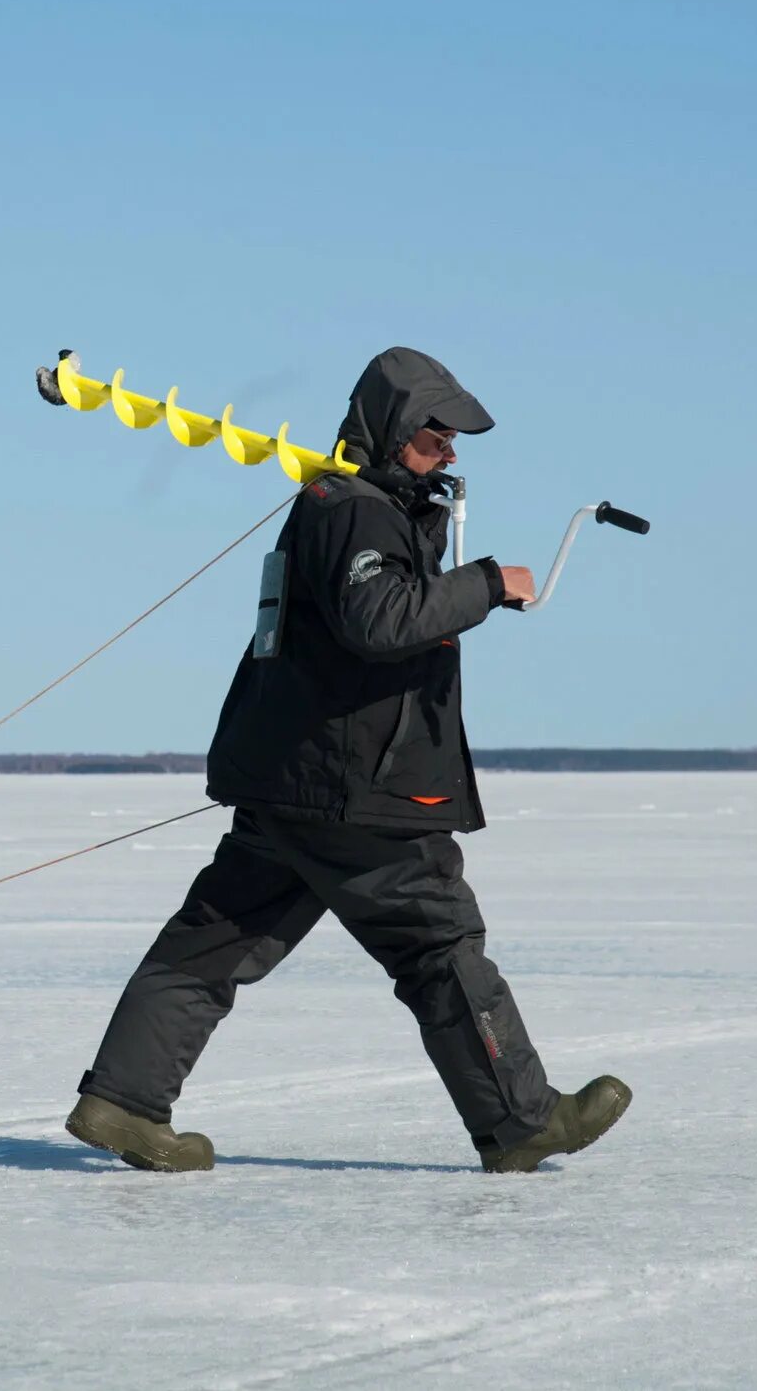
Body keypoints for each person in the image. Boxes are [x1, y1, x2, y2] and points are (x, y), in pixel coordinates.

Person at [65, 346, 630, 1174]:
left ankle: (122, 1101)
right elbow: (378, 620)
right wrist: (484, 584)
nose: (450, 455)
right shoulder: (354, 509)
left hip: (296, 782)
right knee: (440, 949)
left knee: (210, 945)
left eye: (454, 444)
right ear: (393, 429)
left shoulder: (346, 504)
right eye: (436, 439)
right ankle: (521, 1123)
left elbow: (376, 620)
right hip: (360, 791)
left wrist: (450, 575)